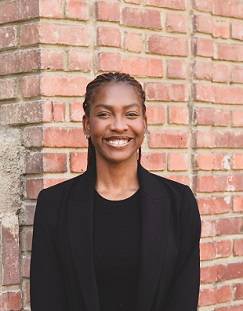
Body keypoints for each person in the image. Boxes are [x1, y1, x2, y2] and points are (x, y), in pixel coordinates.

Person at [30, 72, 201, 311]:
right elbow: (46, 299)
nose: (119, 126)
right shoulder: (54, 204)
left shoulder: (179, 203)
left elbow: (183, 300)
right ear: (87, 125)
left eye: (131, 114)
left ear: (144, 123)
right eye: (104, 114)